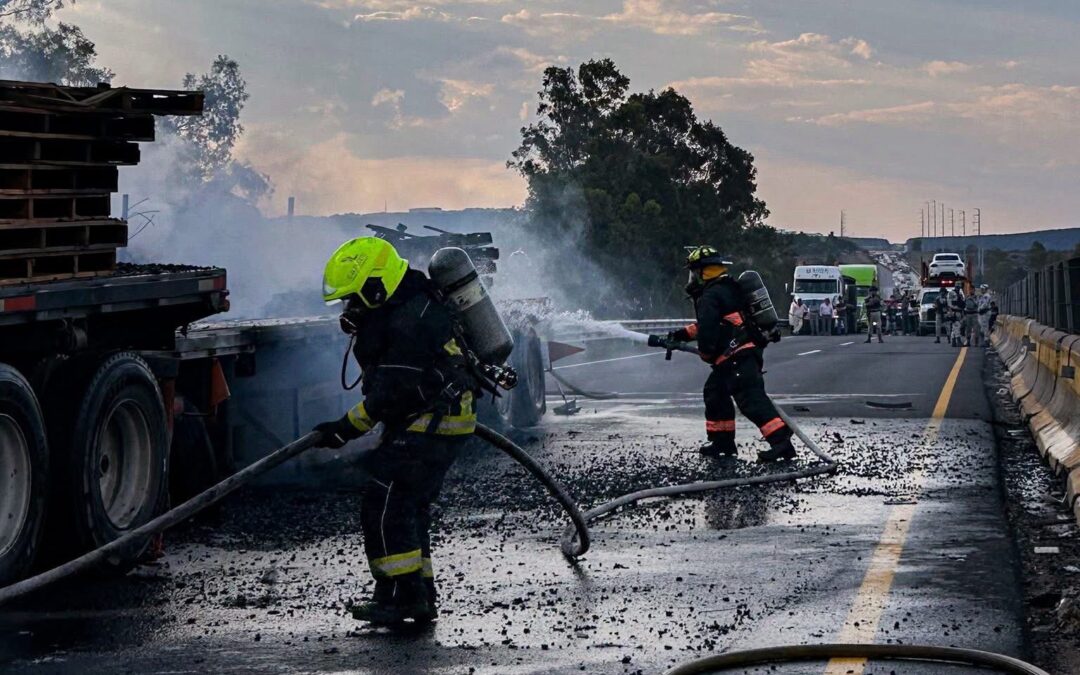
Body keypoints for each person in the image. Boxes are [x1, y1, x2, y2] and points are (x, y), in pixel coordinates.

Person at [311, 237, 480, 626]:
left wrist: (343, 429)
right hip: (435, 419)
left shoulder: (409, 320)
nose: (349, 311)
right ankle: (418, 593)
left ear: (377, 287)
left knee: (384, 500)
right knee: (407, 506)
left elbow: (390, 393)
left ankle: (402, 598)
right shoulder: (407, 306)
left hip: (431, 421)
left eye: (354, 300)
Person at [670, 246, 796, 463]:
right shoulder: (727, 289)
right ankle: (722, 443)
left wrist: (706, 353)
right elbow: (717, 322)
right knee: (715, 393)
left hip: (737, 355)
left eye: (694, 272)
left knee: (751, 399)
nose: (692, 277)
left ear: (703, 271)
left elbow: (708, 329)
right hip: (740, 354)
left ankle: (781, 443)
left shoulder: (710, 295)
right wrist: (681, 334)